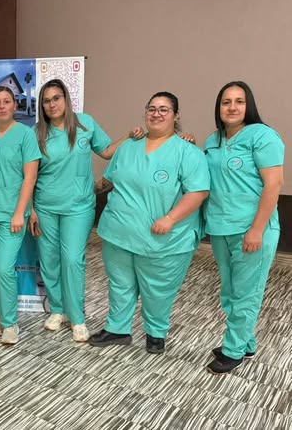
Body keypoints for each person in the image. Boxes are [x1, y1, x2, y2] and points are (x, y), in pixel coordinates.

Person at [88, 91, 210, 352]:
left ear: (176, 115)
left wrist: (170, 218)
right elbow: (109, 180)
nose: (156, 114)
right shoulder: (128, 147)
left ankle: (155, 332)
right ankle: (117, 328)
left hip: (162, 239)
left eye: (164, 109)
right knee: (120, 283)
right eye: (151, 108)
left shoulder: (187, 152)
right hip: (119, 232)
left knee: (158, 289)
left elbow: (198, 192)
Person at [29, 78, 143, 342]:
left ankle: (77, 316)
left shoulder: (85, 124)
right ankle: (57, 310)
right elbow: (30, 175)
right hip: (45, 206)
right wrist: (31, 209)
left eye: (56, 98)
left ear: (66, 99)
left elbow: (107, 151)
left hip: (78, 206)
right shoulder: (36, 133)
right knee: (49, 260)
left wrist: (128, 136)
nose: (52, 104)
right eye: (46, 101)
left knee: (72, 259)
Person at [204, 81, 284, 375]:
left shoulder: (262, 136)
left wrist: (257, 229)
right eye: (226, 102)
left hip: (252, 229)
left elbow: (274, 184)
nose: (232, 107)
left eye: (239, 101)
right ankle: (246, 342)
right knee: (230, 291)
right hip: (220, 227)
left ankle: (233, 349)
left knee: (246, 293)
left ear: (248, 105)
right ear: (219, 107)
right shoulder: (212, 140)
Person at [0, 86, 41, 345]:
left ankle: (11, 323)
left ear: (15, 105)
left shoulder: (25, 135)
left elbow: (30, 177)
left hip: (12, 215)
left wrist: (20, 213)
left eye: (6, 101)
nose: (1, 106)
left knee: (3, 269)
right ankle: (2, 316)